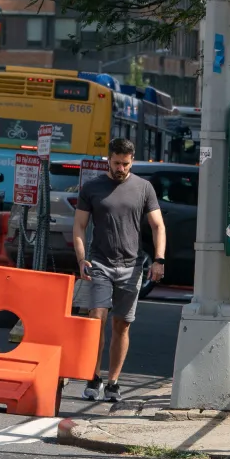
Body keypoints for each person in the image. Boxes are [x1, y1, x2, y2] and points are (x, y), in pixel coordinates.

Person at [74, 136, 165, 403]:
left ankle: (113, 381)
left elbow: (158, 225)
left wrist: (158, 259)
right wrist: (81, 259)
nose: (121, 168)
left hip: (131, 266)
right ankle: (93, 376)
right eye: (116, 163)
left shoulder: (144, 188)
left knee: (122, 325)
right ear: (108, 159)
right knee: (97, 320)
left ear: (131, 161)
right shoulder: (92, 188)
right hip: (99, 262)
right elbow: (79, 226)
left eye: (125, 164)